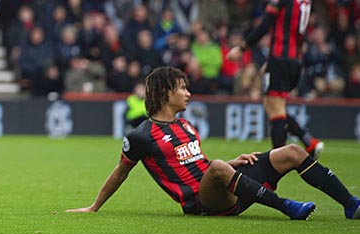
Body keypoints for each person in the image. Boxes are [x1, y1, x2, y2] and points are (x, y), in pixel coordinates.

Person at [66, 66, 360, 220]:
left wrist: (234, 163)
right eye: (183, 88)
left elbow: (200, 165)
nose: (188, 93)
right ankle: (287, 207)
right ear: (166, 92)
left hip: (224, 185)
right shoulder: (141, 135)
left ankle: (350, 205)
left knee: (293, 152)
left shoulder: (185, 125)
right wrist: (94, 207)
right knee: (219, 167)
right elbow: (120, 172)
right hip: (202, 202)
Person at [226, 0, 324, 159]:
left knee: (275, 109)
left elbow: (266, 24)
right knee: (272, 106)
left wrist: (242, 47)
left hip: (280, 57)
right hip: (294, 59)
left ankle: (277, 163)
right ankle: (308, 141)